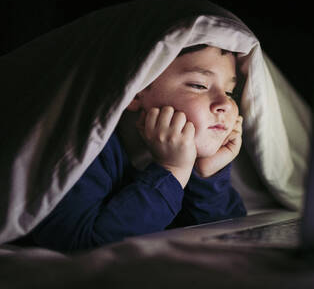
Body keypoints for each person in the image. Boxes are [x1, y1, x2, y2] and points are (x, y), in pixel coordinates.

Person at [20, 44, 247, 252]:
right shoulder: (85, 145)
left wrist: (206, 177)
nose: (226, 104)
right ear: (136, 90)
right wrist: (171, 171)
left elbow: (230, 238)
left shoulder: (189, 157)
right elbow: (81, 244)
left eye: (230, 92)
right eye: (199, 85)